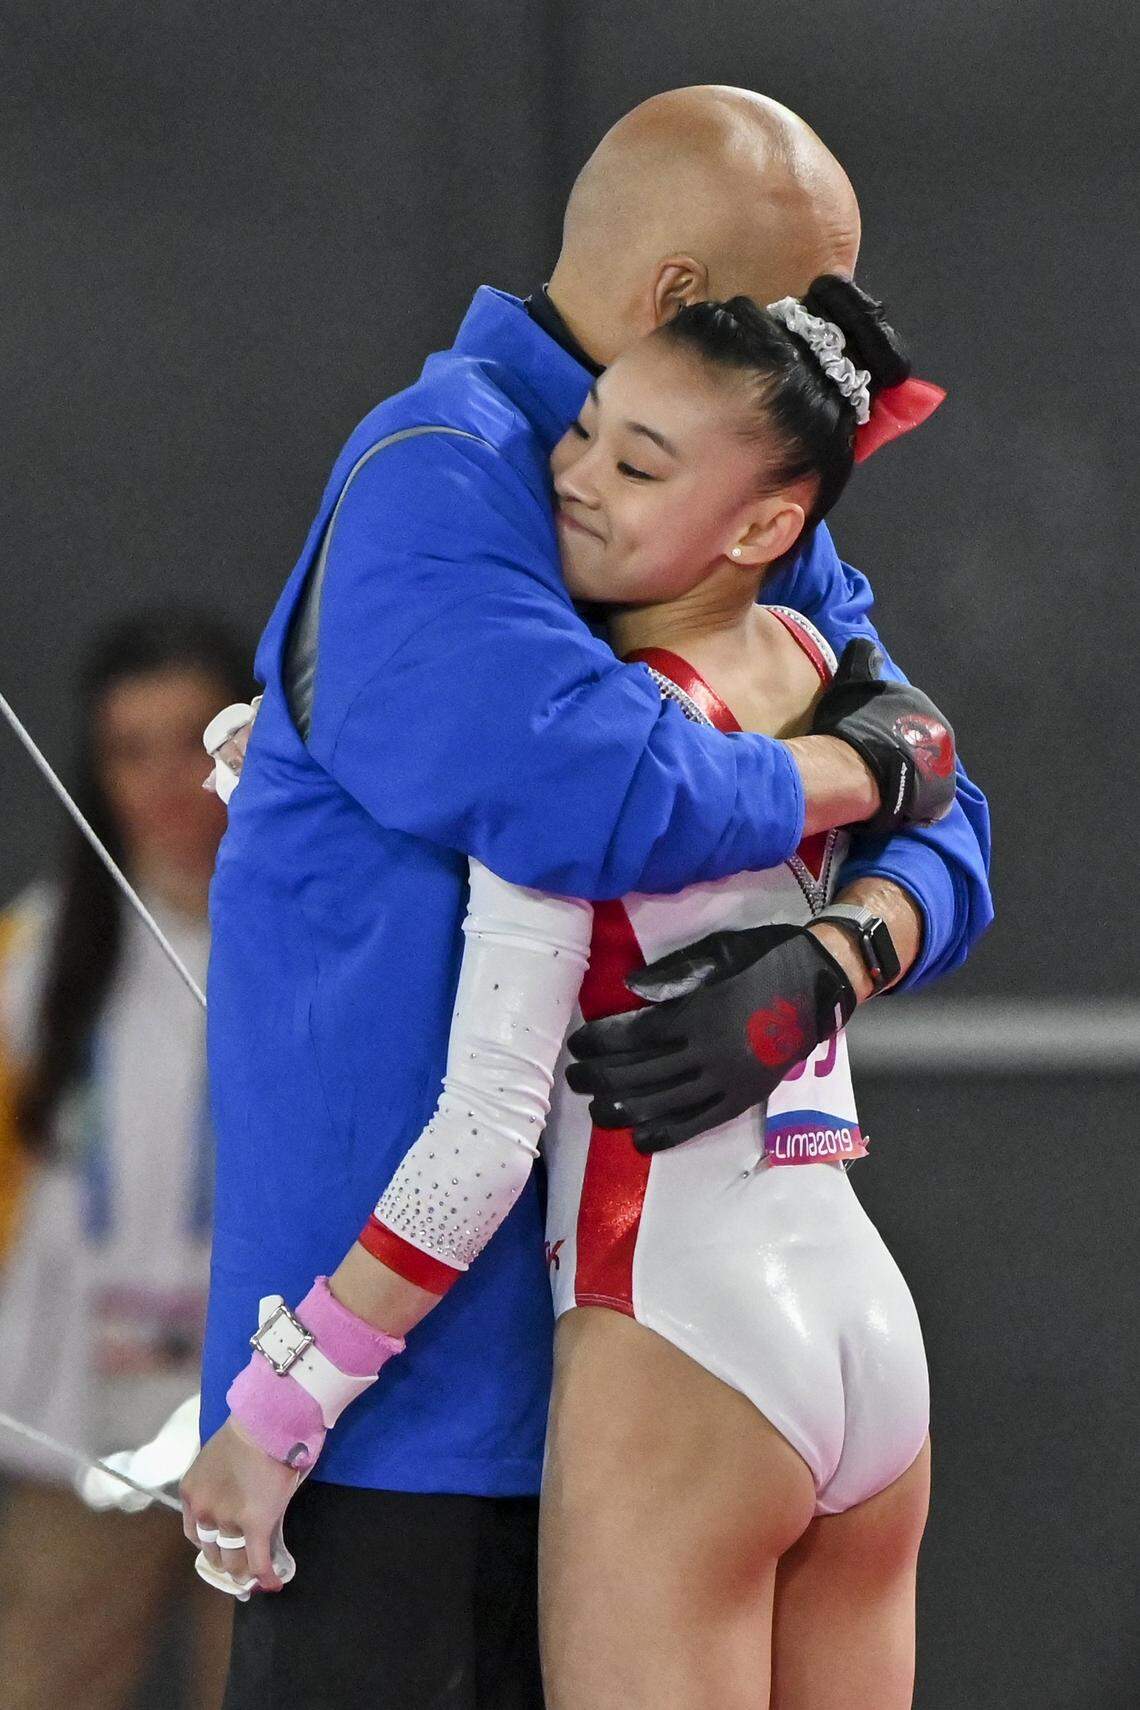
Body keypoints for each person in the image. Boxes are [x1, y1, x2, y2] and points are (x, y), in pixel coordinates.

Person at [189, 88, 991, 1709]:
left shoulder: (709, 499)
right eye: (789, 314)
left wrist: (841, 952)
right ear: (682, 297)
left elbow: (953, 819)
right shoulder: (461, 474)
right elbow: (602, 792)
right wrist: (855, 770)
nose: (806, 364)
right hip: (474, 1403)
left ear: (765, 519)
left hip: (570, 1354)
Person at [0, 610, 250, 1710]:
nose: (162, 784)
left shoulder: (327, 937)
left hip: (278, 1417)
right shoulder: (40, 953)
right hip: (80, 1419)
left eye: (191, 741)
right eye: (126, 750)